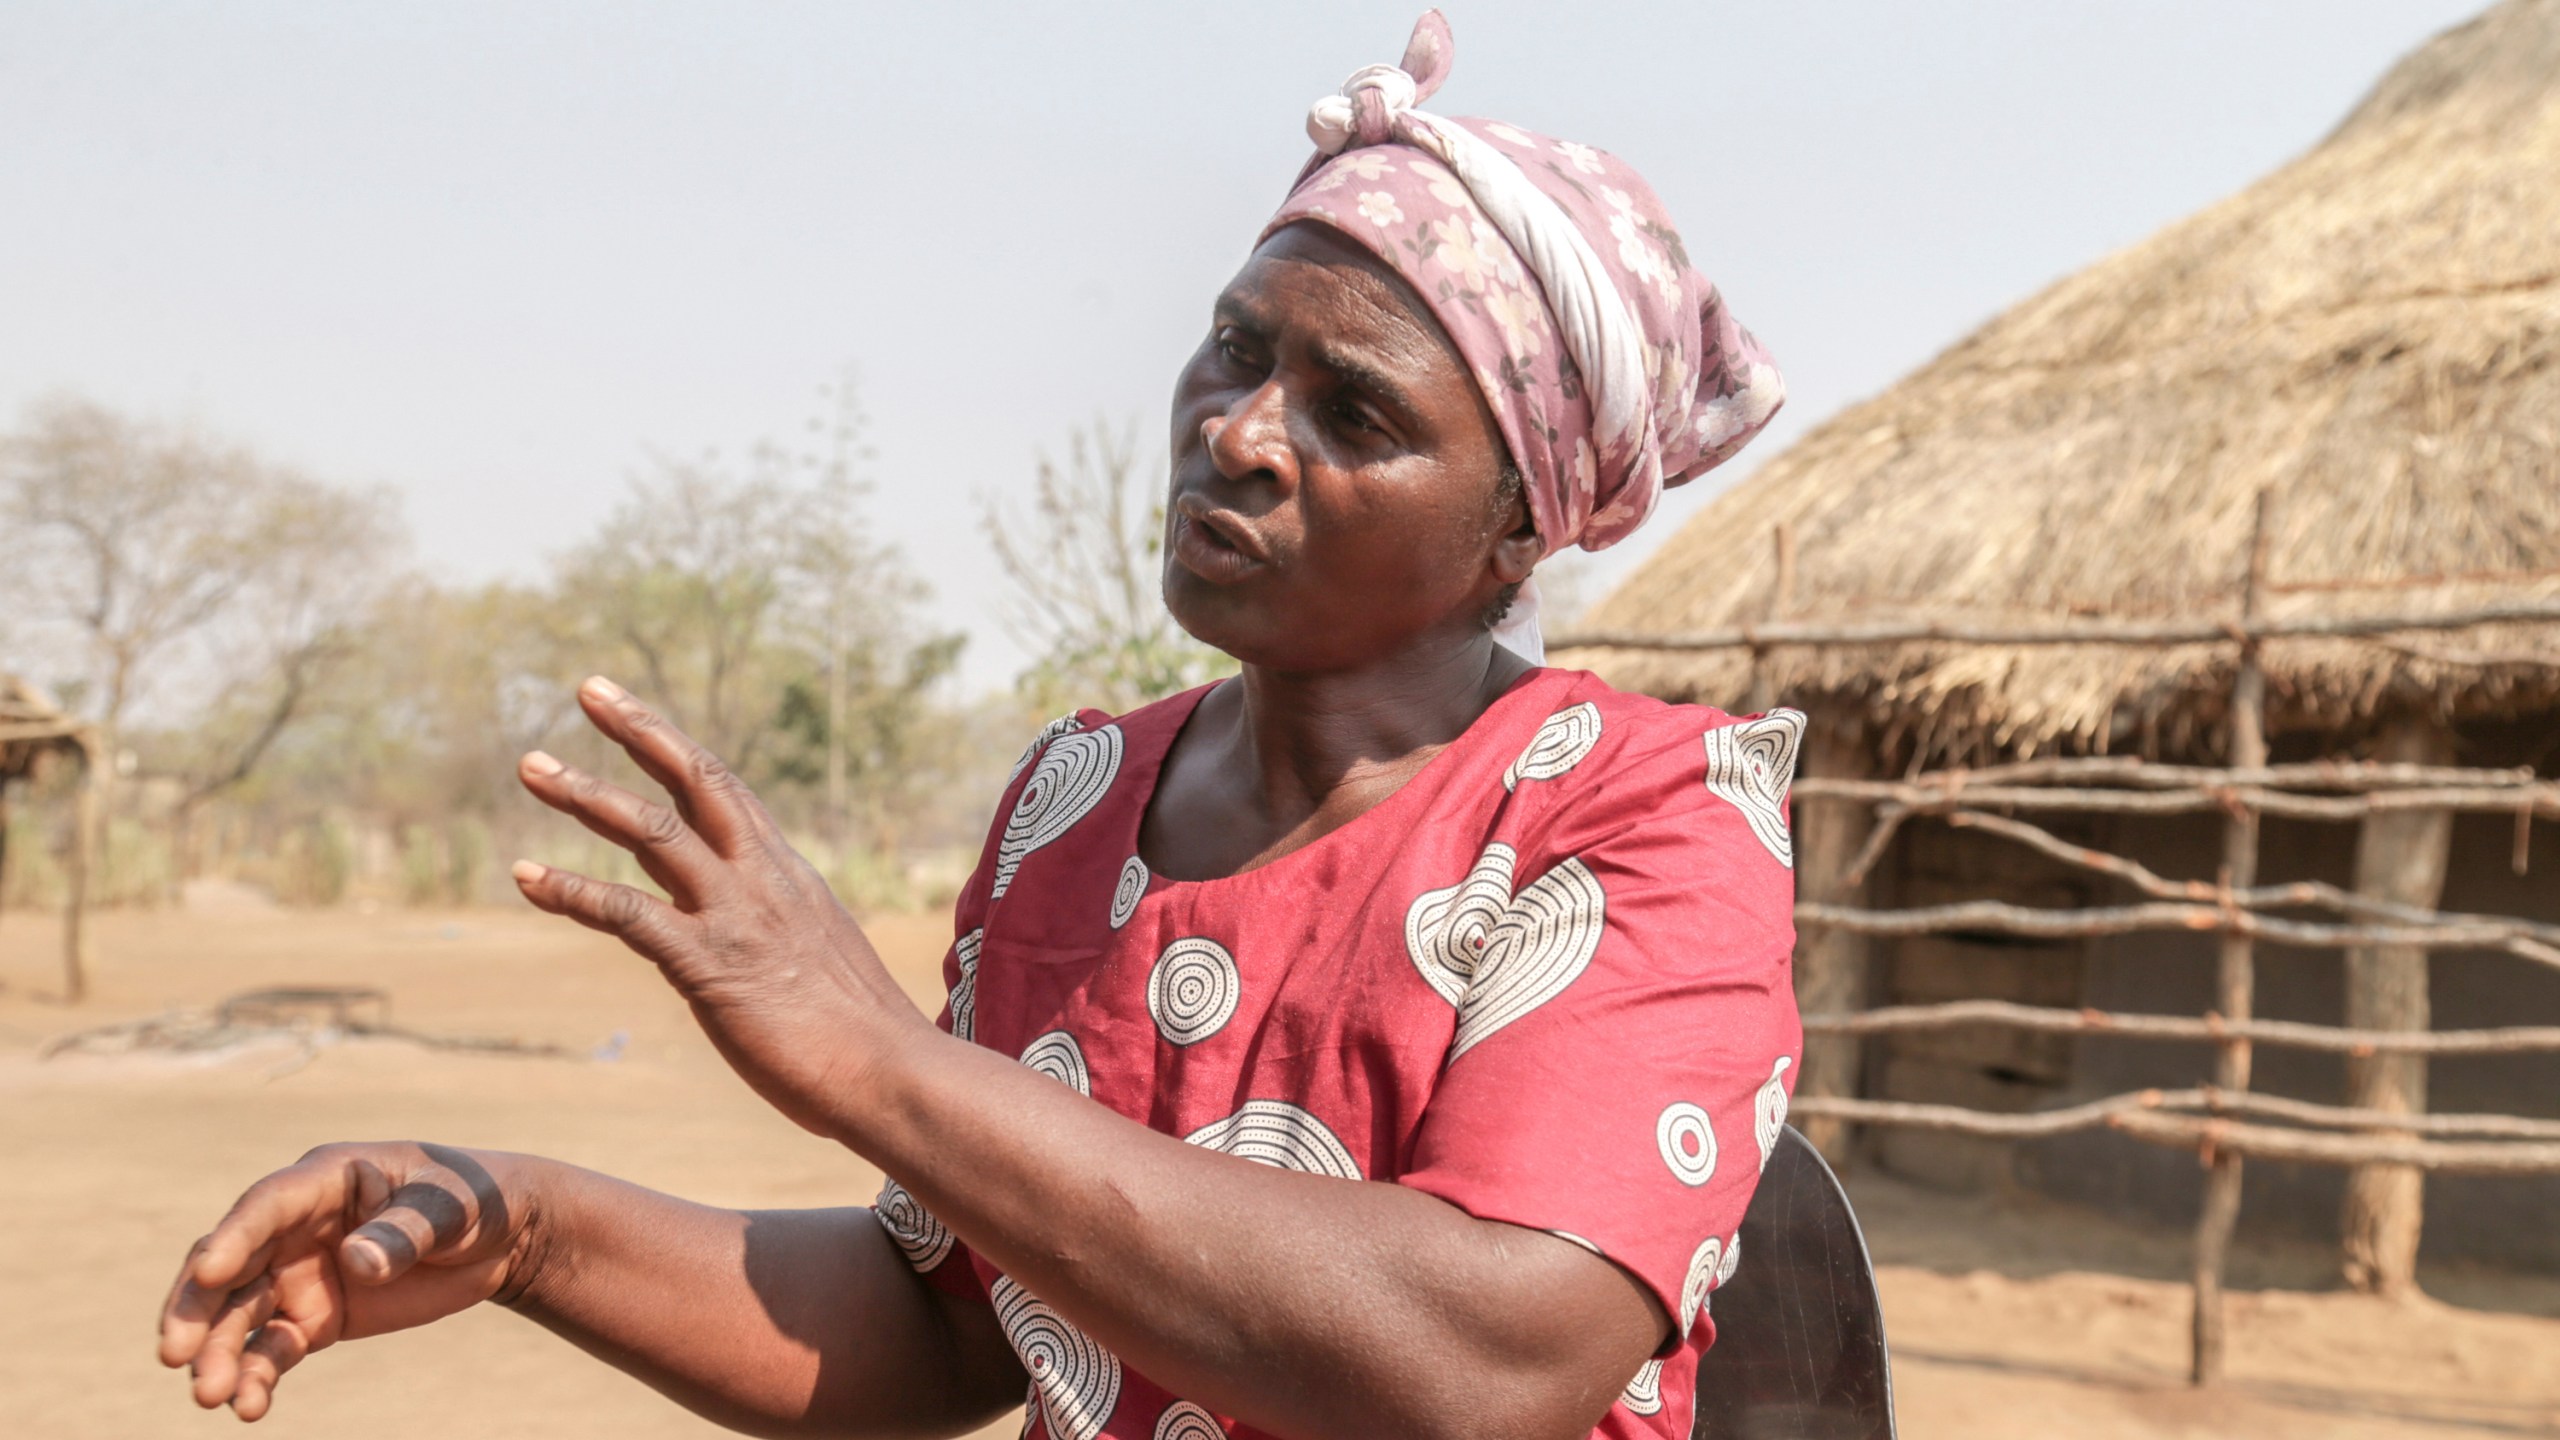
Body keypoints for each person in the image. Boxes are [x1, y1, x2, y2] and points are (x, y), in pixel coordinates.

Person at [156, 13, 1800, 1439]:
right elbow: (957, 1311)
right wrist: (523, 1228)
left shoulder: (1643, 818)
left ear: (1521, 526)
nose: (1236, 432)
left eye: (1353, 411)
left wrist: (878, 1062)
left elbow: (1484, 1368)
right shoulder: (1076, 804)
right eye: (1236, 348)